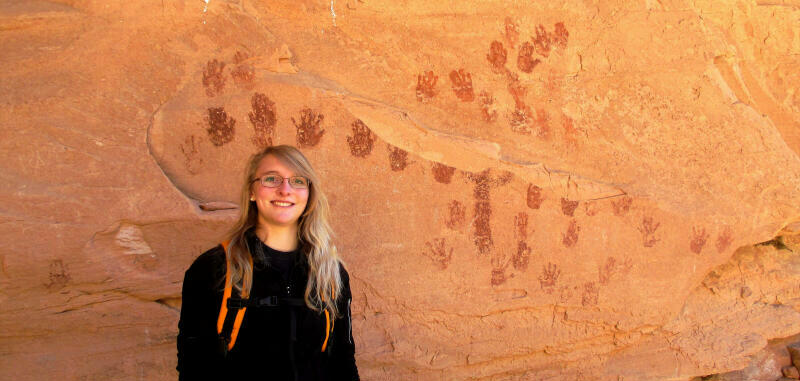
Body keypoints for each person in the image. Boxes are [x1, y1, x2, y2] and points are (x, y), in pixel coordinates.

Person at [177, 145, 359, 380]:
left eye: (298, 181)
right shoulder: (214, 269)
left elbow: (343, 362)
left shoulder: (331, 273)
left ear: (309, 194)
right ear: (252, 191)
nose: (285, 190)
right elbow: (194, 367)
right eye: (271, 179)